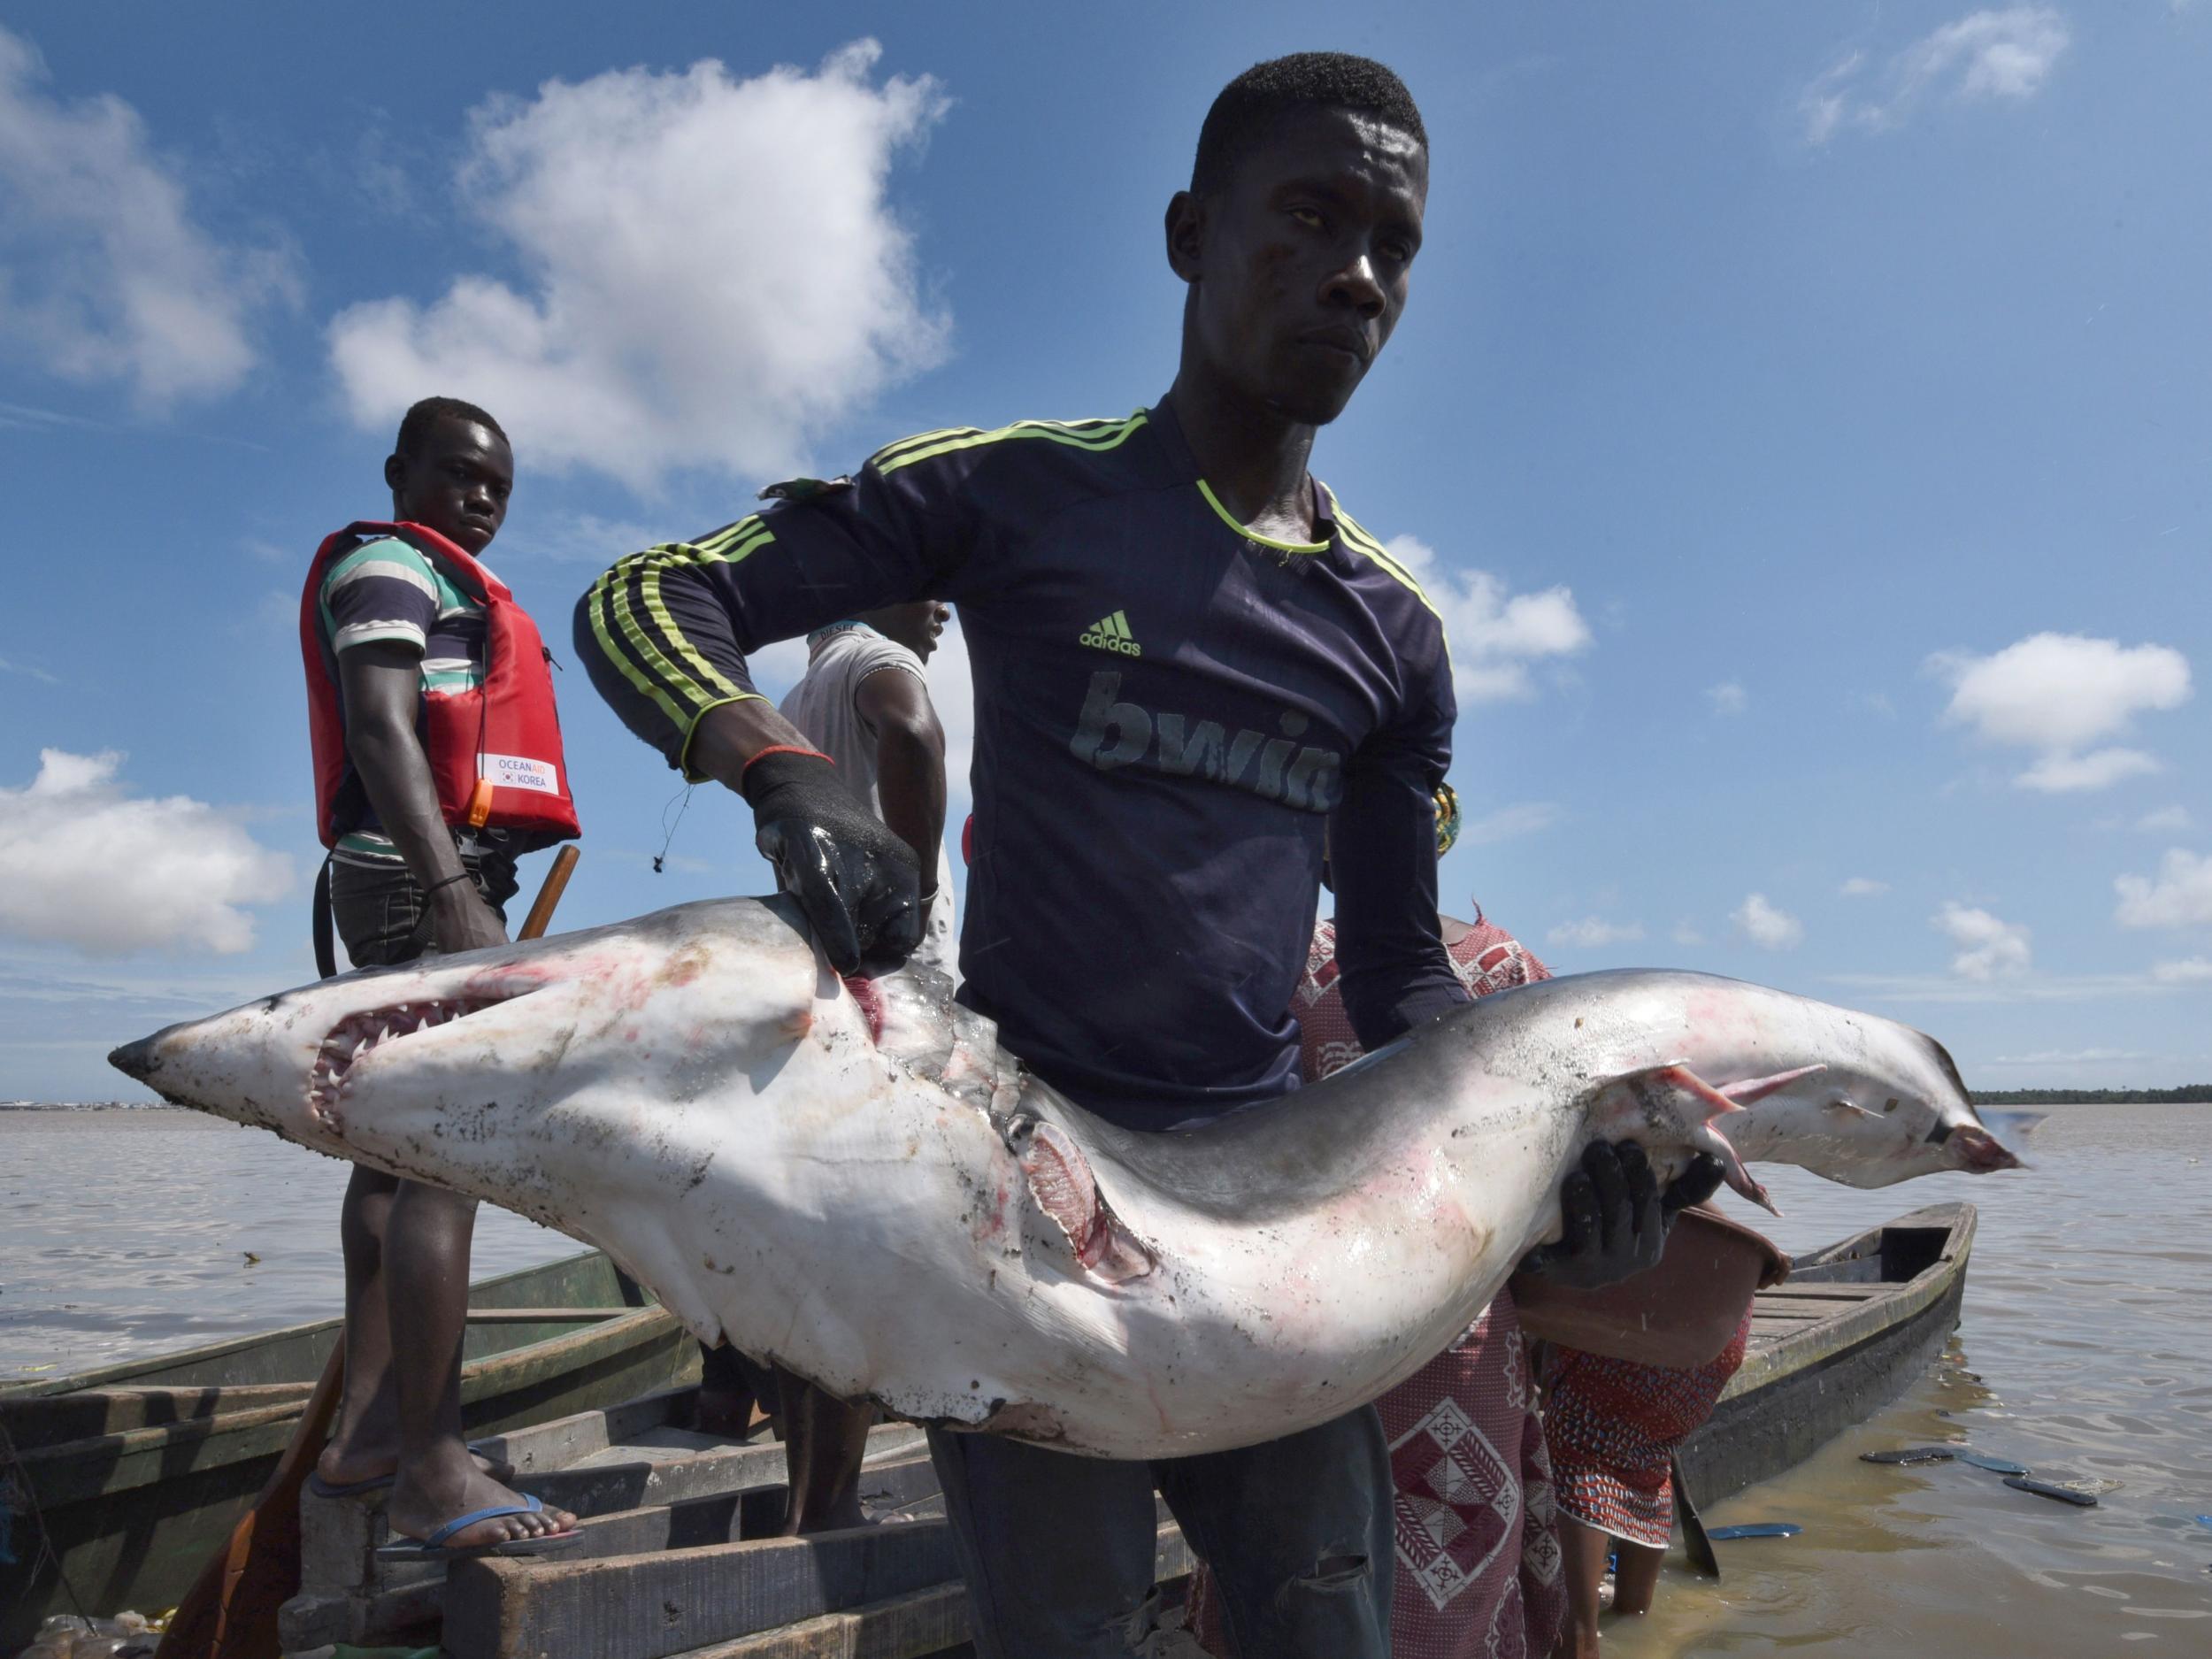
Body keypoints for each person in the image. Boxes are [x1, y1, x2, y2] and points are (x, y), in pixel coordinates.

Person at [577, 54, 1701, 1657]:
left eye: (1395, 244)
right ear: (1189, 232)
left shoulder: (1393, 634)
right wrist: (778, 770)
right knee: (1072, 1629)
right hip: (1018, 1201)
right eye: (1311, 216)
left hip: (1270, 1224)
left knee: (1328, 1617)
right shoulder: (1017, 493)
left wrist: (1557, 1149)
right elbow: (650, 593)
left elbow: (1398, 981)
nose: (1358, 276)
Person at [302, 396, 580, 1556]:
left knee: (392, 1152)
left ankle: (370, 1434)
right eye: (458, 474)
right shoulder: (386, 565)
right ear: (398, 470)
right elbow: (380, 724)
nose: (480, 497)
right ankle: (430, 1464)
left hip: (419, 876)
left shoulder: (443, 576)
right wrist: (453, 885)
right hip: (424, 879)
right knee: (446, 1158)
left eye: (498, 486)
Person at [692, 600, 957, 1532]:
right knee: (865, 1247)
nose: (943, 609)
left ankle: (811, 1491)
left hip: (824, 967)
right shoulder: (877, 658)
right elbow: (914, 734)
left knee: (817, 1241)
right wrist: (915, 890)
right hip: (888, 978)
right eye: (925, 586)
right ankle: (832, 1512)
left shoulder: (802, 683)